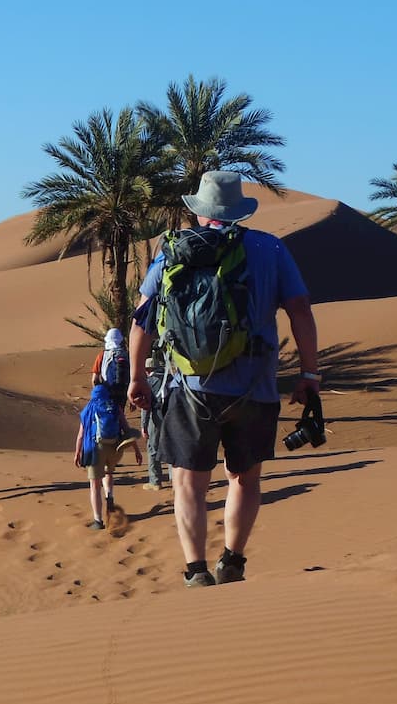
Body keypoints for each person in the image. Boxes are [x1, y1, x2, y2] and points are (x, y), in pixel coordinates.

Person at [127, 171, 320, 587]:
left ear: (199, 212)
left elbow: (141, 319)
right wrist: (309, 373)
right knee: (245, 479)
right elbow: (300, 309)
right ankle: (232, 561)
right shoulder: (269, 248)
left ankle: (195, 570)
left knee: (188, 483)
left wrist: (136, 376)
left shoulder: (172, 251)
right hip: (255, 387)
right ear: (240, 212)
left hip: (189, 387)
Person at [74, 383, 143, 529]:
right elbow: (127, 429)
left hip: (95, 449)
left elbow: (81, 436)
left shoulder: (88, 409)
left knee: (94, 484)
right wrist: (136, 450)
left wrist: (77, 453)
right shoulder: (115, 406)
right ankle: (110, 496)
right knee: (108, 473)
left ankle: (98, 521)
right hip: (114, 449)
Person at [140, 352, 166, 491]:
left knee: (153, 448)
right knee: (172, 448)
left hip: (156, 416)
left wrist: (143, 426)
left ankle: (155, 481)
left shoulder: (149, 383)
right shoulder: (169, 378)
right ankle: (176, 480)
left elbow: (145, 407)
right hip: (172, 415)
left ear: (147, 370)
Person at [92, 328, 128, 399]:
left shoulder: (102, 355)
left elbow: (94, 380)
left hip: (106, 392)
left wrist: (97, 395)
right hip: (122, 393)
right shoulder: (126, 355)